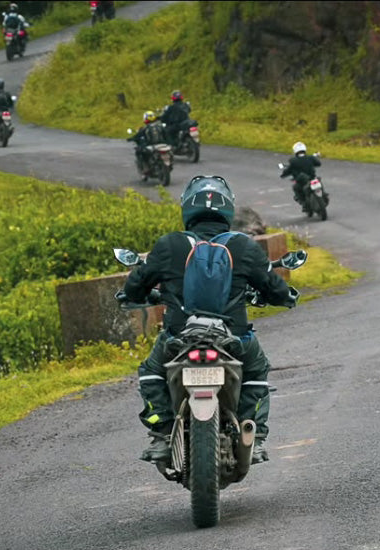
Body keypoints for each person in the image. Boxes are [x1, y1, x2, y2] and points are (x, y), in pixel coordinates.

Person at [119, 175, 298, 465]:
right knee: (257, 368)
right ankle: (255, 433)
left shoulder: (169, 245)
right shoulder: (243, 245)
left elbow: (135, 286)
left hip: (179, 337)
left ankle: (162, 434)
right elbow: (273, 287)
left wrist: (133, 294)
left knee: (151, 370)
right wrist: (285, 297)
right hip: (234, 338)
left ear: (187, 208)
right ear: (228, 209)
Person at [126, 110, 168, 176]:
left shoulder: (146, 128)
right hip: (163, 145)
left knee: (139, 151)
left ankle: (146, 167)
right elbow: (166, 135)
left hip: (151, 146)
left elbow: (138, 136)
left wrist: (131, 138)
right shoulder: (160, 126)